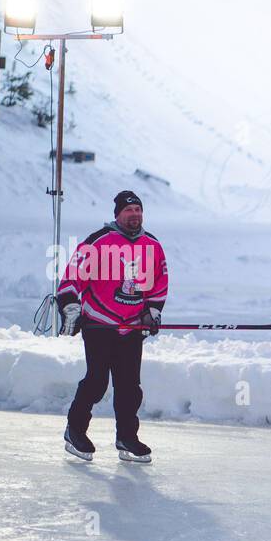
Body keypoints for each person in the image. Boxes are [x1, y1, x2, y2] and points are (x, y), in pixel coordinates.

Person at [57, 190, 167, 463]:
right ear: (117, 214)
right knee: (96, 382)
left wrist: (151, 313)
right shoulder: (98, 241)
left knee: (130, 387)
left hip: (131, 328)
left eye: (138, 210)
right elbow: (72, 277)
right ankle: (75, 431)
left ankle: (127, 438)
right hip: (100, 324)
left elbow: (159, 283)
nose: (135, 215)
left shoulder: (152, 245)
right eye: (129, 211)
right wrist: (71, 307)